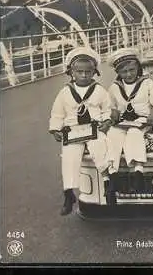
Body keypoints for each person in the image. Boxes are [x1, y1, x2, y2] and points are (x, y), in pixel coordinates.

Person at [48, 47, 112, 215]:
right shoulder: (64, 92)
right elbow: (57, 113)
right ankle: (69, 193)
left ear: (94, 72)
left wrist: (106, 121)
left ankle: (108, 182)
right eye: (79, 72)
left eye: (88, 72)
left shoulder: (100, 91)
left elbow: (107, 109)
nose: (84, 75)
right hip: (73, 130)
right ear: (72, 73)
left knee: (100, 147)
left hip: (93, 127)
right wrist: (55, 129)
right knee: (69, 155)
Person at [105, 48, 153, 205]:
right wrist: (112, 113)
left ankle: (138, 172)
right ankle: (112, 177)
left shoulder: (147, 83)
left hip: (142, 121)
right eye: (124, 71)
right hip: (122, 122)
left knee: (134, 133)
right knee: (112, 135)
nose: (129, 74)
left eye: (132, 69)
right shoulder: (114, 87)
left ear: (138, 67)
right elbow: (110, 106)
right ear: (118, 72)